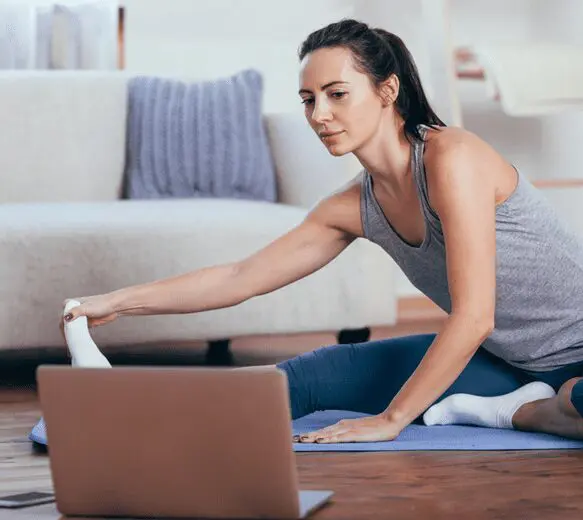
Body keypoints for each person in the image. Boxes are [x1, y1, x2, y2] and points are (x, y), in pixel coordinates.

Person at [60, 18, 583, 443]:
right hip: (512, 363)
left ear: (387, 90)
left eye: (336, 94)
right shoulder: (350, 206)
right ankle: (125, 405)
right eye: (309, 99)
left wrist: (391, 420)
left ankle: (525, 413)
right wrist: (117, 302)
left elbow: (474, 315)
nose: (320, 115)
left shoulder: (453, 157)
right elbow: (240, 277)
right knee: (307, 378)